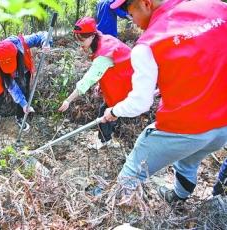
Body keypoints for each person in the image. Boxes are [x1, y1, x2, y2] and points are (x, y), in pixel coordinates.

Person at [103, 0, 227, 204]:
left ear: (146, 3)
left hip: (184, 129)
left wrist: (114, 111)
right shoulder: (217, 8)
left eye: (130, 13)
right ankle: (178, 198)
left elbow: (140, 104)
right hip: (222, 128)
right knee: (189, 160)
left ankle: (115, 211)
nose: (132, 21)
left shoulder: (148, 44)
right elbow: (207, 61)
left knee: (133, 169)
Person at [58, 17, 133, 150]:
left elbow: (88, 79)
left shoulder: (104, 53)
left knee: (105, 112)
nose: (80, 44)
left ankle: (105, 141)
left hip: (126, 81)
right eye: (77, 40)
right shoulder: (103, 38)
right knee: (108, 109)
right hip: (121, 76)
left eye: (82, 40)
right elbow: (107, 67)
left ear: (92, 36)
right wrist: (101, 83)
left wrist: (68, 100)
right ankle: (107, 137)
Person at [0, 32, 52, 132]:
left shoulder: (23, 42)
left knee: (24, 90)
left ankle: (20, 117)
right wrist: (23, 103)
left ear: (17, 55)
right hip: (4, 76)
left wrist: (46, 43)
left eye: (12, 67)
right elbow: (12, 88)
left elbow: (44, 34)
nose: (12, 71)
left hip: (23, 71)